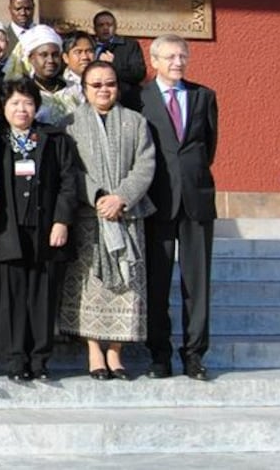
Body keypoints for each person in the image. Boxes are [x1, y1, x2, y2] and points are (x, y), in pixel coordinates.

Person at [60, 60, 156, 380]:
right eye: (96, 85)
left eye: (110, 84)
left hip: (127, 215)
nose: (104, 90)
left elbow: (145, 165)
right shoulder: (70, 123)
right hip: (90, 216)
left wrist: (122, 197)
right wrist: (99, 196)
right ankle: (93, 350)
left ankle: (116, 351)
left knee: (127, 283)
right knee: (89, 284)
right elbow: (70, 169)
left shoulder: (136, 122)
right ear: (85, 89)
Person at [0, 78, 77, 380]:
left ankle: (39, 360)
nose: (21, 109)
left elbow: (68, 183)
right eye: (14, 103)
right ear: (4, 107)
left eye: (27, 103)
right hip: (6, 229)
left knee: (42, 295)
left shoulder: (54, 140)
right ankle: (14, 360)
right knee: (10, 296)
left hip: (45, 229)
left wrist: (61, 221)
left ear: (36, 106)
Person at [141, 34, 219, 380]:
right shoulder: (139, 98)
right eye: (170, 57)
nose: (178, 62)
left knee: (197, 283)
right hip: (157, 202)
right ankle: (160, 353)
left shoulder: (204, 96)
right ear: (154, 60)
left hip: (197, 200)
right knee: (157, 282)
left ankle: (194, 354)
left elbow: (208, 147)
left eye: (183, 56)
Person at [18, 25, 79, 126]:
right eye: (43, 55)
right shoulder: (25, 92)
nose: (50, 60)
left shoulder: (76, 90)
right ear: (30, 58)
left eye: (55, 55)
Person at [93, 10, 146, 111]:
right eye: (101, 25)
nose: (105, 28)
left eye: (109, 24)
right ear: (95, 29)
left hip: (124, 102)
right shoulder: (90, 46)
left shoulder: (130, 45)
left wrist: (114, 65)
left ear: (115, 27)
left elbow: (138, 73)